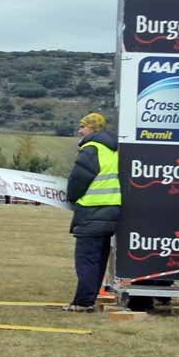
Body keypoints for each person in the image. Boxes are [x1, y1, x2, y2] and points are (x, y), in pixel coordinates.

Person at [64, 113, 121, 312]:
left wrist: (70, 197)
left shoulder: (91, 149)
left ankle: (82, 302)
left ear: (92, 129)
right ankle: (89, 299)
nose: (80, 131)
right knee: (99, 260)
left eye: (82, 127)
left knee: (86, 260)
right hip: (112, 211)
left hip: (92, 211)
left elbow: (78, 179)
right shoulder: (115, 149)